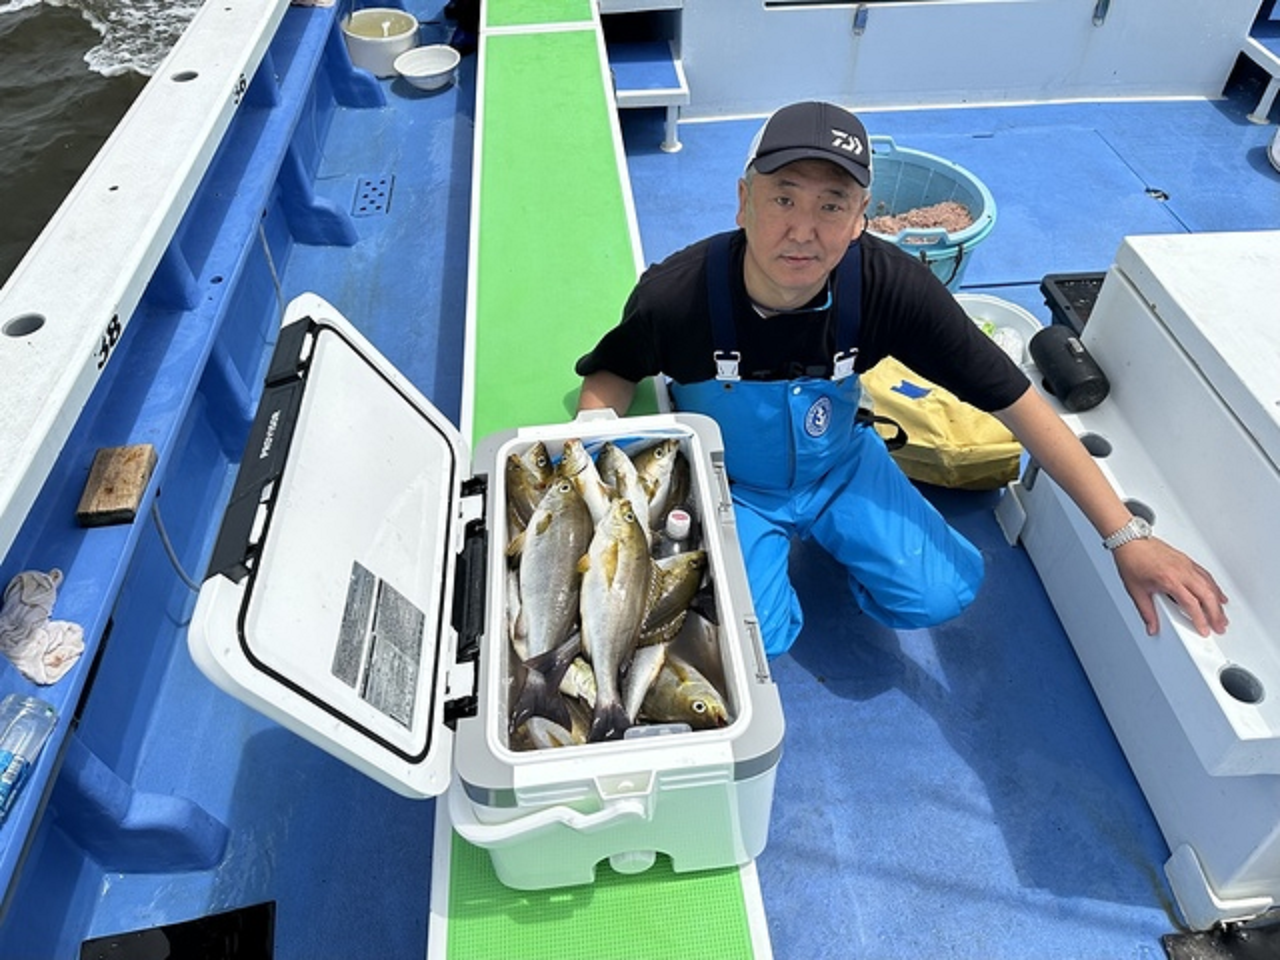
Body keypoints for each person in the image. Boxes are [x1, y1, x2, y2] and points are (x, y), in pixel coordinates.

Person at [575, 100, 1228, 657]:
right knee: (751, 646)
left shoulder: (891, 288)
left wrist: (1125, 536)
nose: (803, 231)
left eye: (832, 206)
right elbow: (613, 372)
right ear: (744, 201)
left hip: (840, 465)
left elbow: (1017, 402)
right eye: (783, 198)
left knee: (944, 592)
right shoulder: (676, 296)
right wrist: (590, 471)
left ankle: (845, 545)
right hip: (732, 487)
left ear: (861, 217)